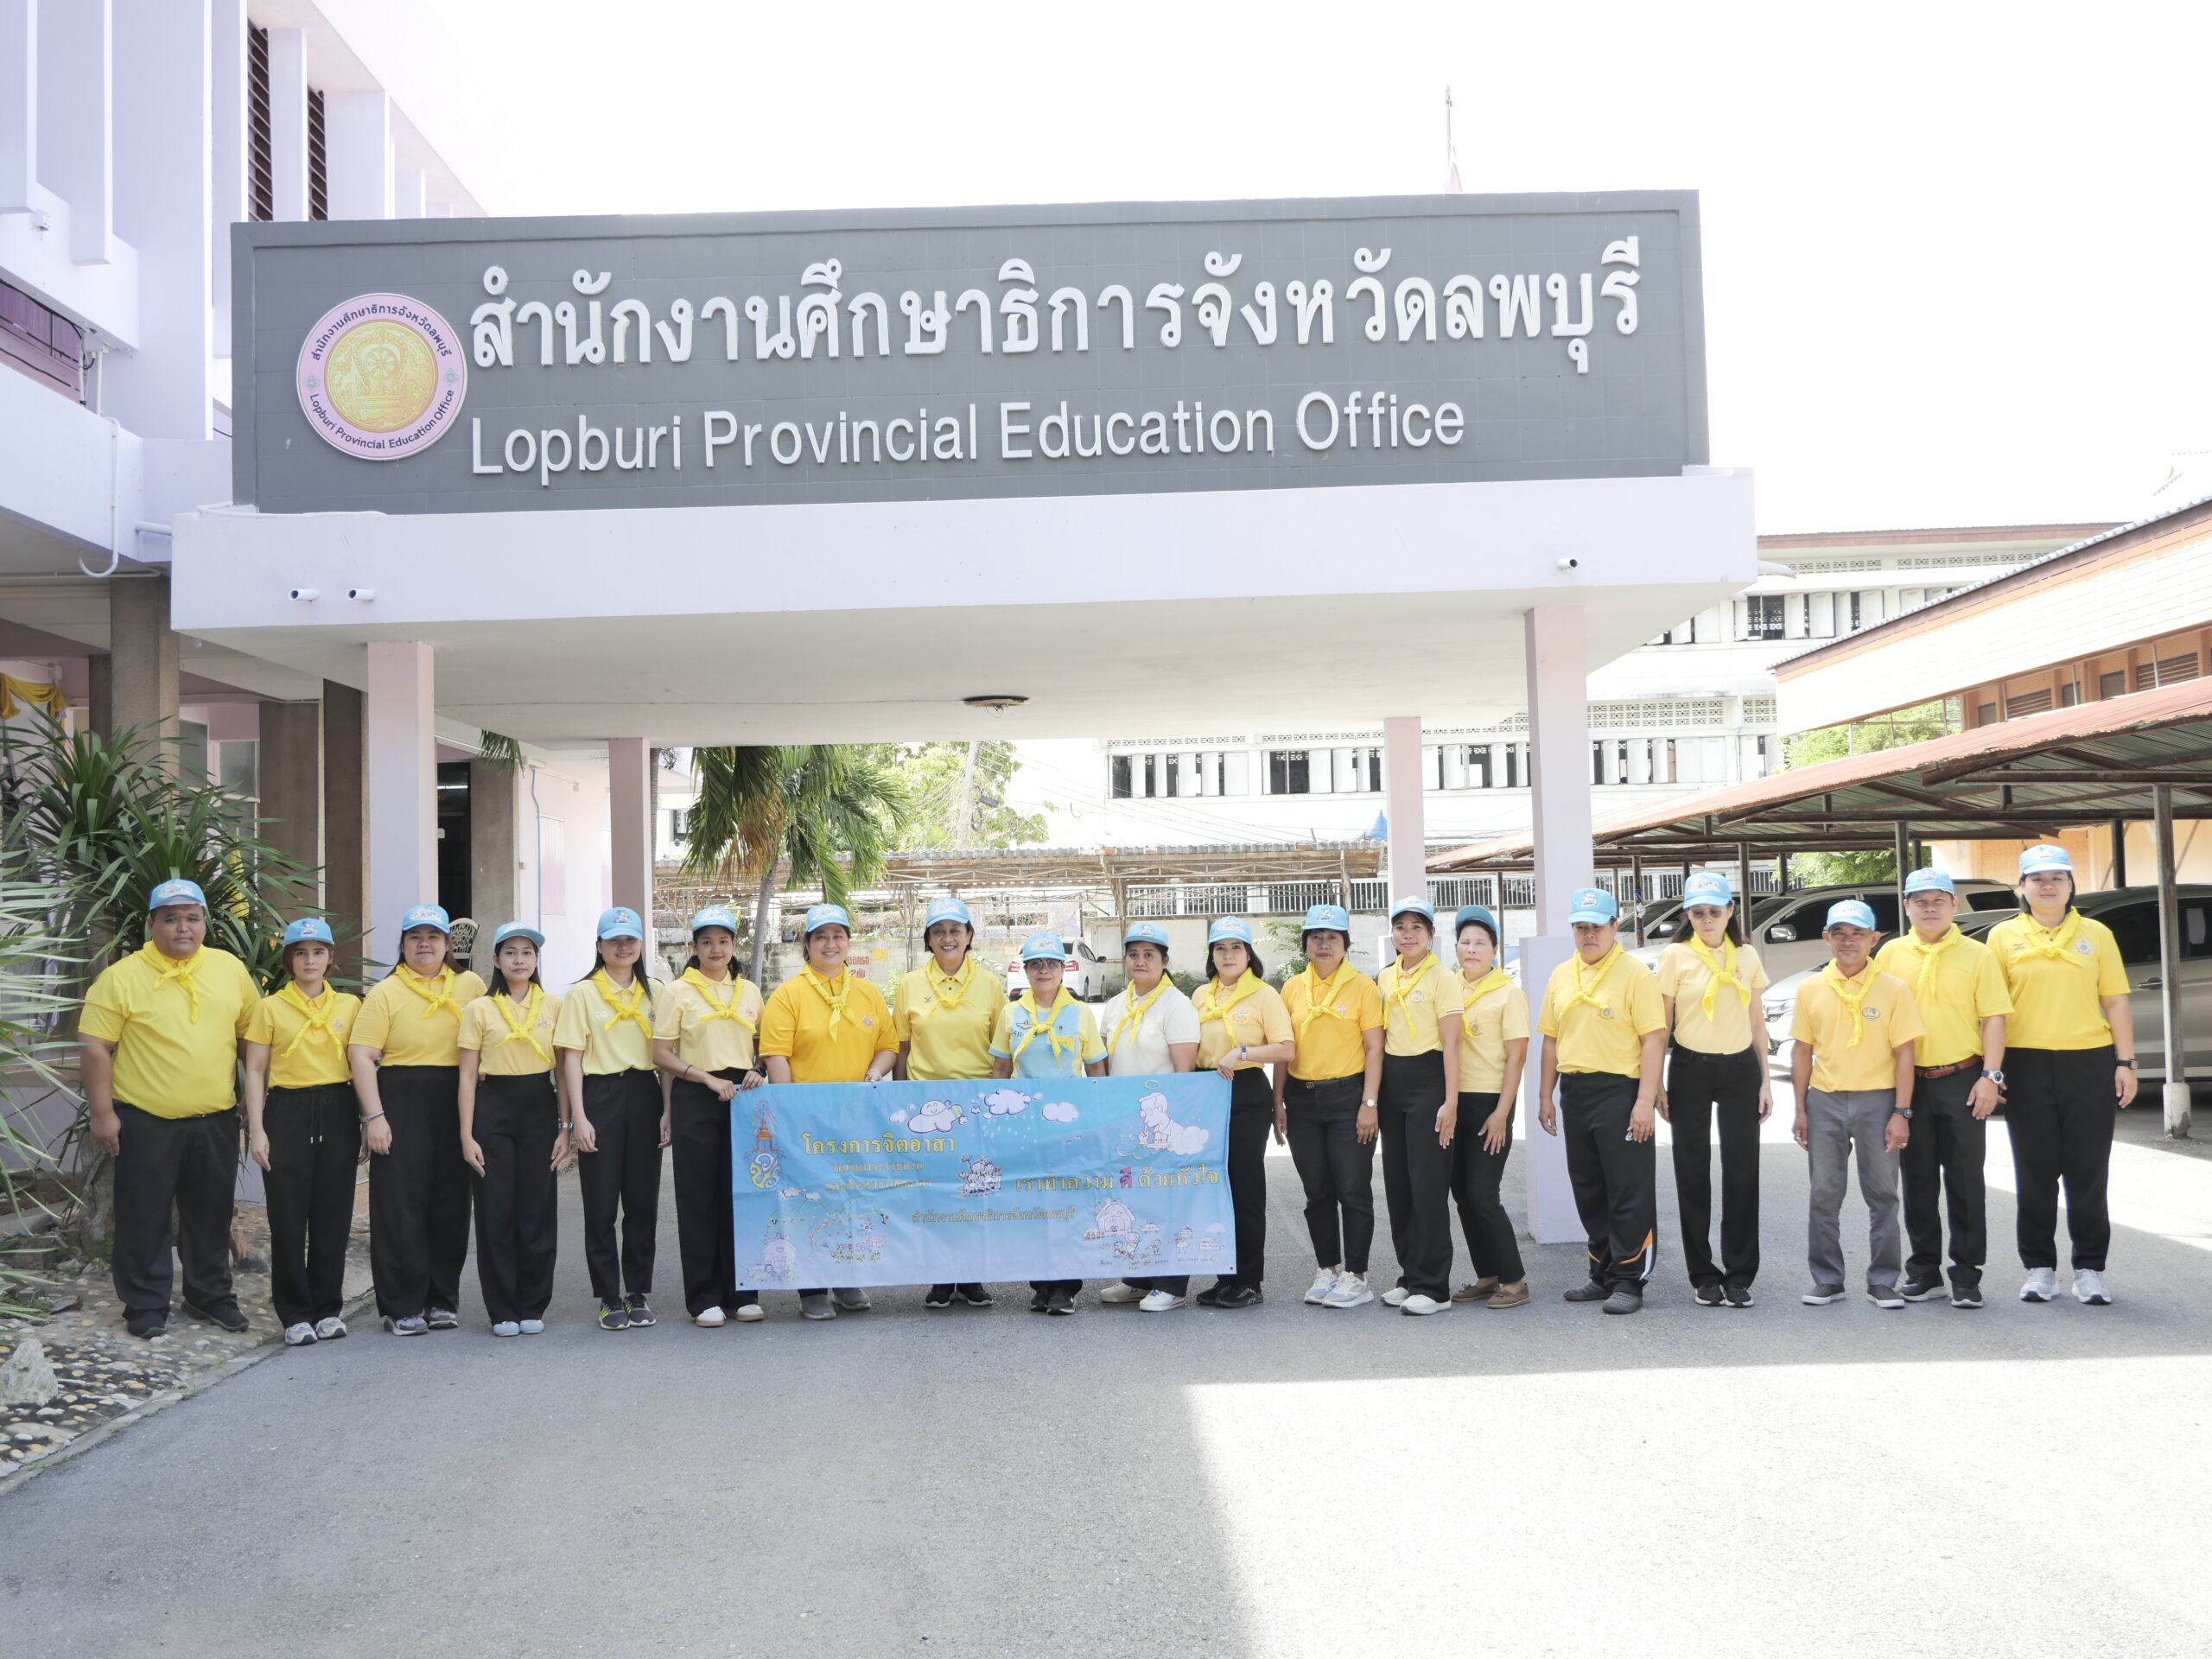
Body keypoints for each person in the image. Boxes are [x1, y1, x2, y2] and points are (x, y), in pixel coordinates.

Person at [79, 879, 261, 1340]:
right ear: (151, 924)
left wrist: (253, 1094)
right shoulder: (121, 977)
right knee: (144, 1215)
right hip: (145, 1121)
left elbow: (251, 1036)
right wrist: (102, 1114)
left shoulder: (229, 969)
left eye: (192, 918)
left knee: (211, 1214)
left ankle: (209, 1296)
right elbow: (96, 1047)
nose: (183, 927)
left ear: (205, 924)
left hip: (215, 1119)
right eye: (171, 918)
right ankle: (145, 1303)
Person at [1987, 844, 2135, 1306]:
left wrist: (2126, 1064)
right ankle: (2039, 1268)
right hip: (2025, 1063)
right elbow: (1992, 1011)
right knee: (2035, 1170)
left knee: (2088, 1170)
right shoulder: (2002, 936)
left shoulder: (2096, 933)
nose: (2047, 886)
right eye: (2037, 879)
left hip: (2089, 1061)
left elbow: (2115, 1001)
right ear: (2022, 887)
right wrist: (1992, 1072)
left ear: (2071, 885)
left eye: (2057, 878)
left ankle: (2090, 1269)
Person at [1873, 868, 2012, 1310]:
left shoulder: (1978, 954)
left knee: (1966, 1179)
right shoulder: (1890, 953)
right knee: (1916, 1180)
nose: (1929, 908)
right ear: (1906, 907)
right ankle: (1924, 1271)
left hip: (1963, 1079)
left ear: (1954, 905)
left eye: (1938, 900)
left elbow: (1994, 1017)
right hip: (1909, 1084)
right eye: (1920, 901)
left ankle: (1967, 1275)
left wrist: (1991, 1077)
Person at [349, 904, 486, 1335]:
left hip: (457, 1096)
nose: (424, 944)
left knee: (451, 1202)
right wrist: (374, 1117)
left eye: (433, 937)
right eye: (415, 937)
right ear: (403, 944)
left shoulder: (471, 986)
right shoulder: (386, 992)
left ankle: (442, 1299)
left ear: (447, 944)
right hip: (402, 1096)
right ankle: (402, 1303)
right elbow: (361, 1055)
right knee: (399, 1203)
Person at [759, 903, 898, 1320]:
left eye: (838, 936)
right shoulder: (789, 995)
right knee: (809, 1199)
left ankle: (846, 1279)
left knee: (852, 1197)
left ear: (848, 943)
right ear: (807, 944)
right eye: (821, 937)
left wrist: (876, 1072)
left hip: (856, 1117)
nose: (830, 944)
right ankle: (812, 1288)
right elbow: (776, 1055)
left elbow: (887, 1046)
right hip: (806, 1119)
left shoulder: (867, 993)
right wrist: (788, 1111)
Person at [1536, 887, 1666, 1315]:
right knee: (1589, 1188)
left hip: (1620, 1092)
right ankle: (1602, 1273)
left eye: (1597, 926)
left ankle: (1629, 1279)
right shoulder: (1562, 974)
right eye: (1581, 927)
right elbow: (1551, 1039)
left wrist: (1644, 1101)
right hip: (1576, 1092)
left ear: (1615, 927)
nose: (1589, 934)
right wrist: (1545, 1095)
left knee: (1628, 1189)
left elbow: (1654, 1039)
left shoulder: (1635, 975)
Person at [1789, 899, 1923, 1310]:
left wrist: (1901, 1112)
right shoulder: (1811, 988)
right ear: (1826, 938)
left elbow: (1905, 1053)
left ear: (1874, 939)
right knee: (1823, 1193)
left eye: (1858, 933)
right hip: (1825, 1100)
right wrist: (1801, 1109)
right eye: (1839, 933)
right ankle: (1828, 1279)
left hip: (1877, 1101)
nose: (1848, 941)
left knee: (1882, 1194)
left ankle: (1883, 1280)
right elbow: (1802, 1051)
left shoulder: (1893, 988)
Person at [242, 918, 364, 1347]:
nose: (309, 960)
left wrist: (368, 1118)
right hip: (287, 1109)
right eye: (300, 952)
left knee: (334, 1214)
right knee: (288, 1216)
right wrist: (258, 1129)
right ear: (288, 960)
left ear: (331, 958)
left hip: (339, 1107)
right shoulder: (270, 1007)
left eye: (318, 952)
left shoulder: (350, 1006)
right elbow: (254, 1070)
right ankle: (294, 1314)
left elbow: (362, 1064)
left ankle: (328, 1309)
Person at [1654, 872, 1771, 1307]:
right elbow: (1662, 1024)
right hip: (1691, 1068)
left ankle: (1739, 1275)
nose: (1707, 919)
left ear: (1730, 911)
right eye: (1698, 912)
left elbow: (1756, 1021)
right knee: (1692, 1171)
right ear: (1688, 914)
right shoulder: (1675, 956)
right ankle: (1703, 1274)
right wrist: (1657, 1083)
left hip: (1740, 1069)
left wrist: (1766, 1082)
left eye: (1715, 911)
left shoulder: (1747, 955)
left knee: (1742, 1171)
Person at [652, 905, 766, 1327]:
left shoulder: (750, 991)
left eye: (723, 941)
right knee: (698, 1197)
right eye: (706, 942)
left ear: (734, 945)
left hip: (743, 1097)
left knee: (741, 1194)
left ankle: (743, 1293)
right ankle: (704, 1297)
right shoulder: (677, 991)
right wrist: (705, 1080)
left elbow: (764, 1046)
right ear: (694, 946)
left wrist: (759, 1070)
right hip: (697, 1093)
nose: (715, 949)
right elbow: (661, 1054)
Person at [556, 906, 667, 1332]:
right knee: (600, 1204)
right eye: (614, 940)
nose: (623, 947)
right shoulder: (582, 994)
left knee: (642, 1203)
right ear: (600, 946)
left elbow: (666, 1056)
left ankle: (637, 1291)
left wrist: (668, 1110)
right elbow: (571, 1058)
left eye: (630, 940)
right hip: (598, 1095)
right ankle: (607, 1296)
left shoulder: (656, 991)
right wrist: (577, 1119)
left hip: (644, 1094)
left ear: (640, 945)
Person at [991, 928, 1109, 1314]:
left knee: (1067, 1204)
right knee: (1031, 1205)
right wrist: (995, 1122)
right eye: (1035, 964)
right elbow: (1001, 1069)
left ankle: (1065, 1287)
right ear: (1025, 970)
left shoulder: (1080, 1013)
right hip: (1024, 1124)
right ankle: (1040, 1284)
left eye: (1052, 963)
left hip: (1069, 1125)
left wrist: (1098, 1118)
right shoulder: (1011, 1013)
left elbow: (1096, 1069)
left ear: (1063, 969)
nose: (1044, 970)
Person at [457, 923, 566, 1337]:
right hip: (492, 1111)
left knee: (537, 1208)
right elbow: (467, 1077)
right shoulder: (479, 1009)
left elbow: (563, 1070)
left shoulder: (554, 1006)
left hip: (539, 1107)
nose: (520, 960)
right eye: (511, 952)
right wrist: (466, 1134)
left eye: (527, 952)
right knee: (495, 1209)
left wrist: (565, 1127)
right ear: (496, 960)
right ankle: (502, 1308)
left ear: (536, 960)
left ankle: (533, 1303)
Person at [1276, 904, 1385, 1310]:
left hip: (1348, 1098)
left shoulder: (1363, 987)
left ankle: (1357, 1276)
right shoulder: (1291, 988)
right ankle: (1328, 1268)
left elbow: (1374, 1049)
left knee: (1353, 1189)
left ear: (1345, 945)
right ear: (1306, 943)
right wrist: (1277, 1101)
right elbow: (1284, 1050)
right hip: (1301, 1100)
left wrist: (1369, 1103)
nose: (1324, 944)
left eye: (1332, 938)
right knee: (1316, 1191)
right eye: (1316, 937)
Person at [893, 896, 996, 1311]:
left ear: (969, 935)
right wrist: (901, 1097)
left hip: (975, 1104)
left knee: (973, 1189)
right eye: (939, 931)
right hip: (925, 1105)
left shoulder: (989, 984)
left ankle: (971, 1277)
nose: (947, 938)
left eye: (955, 930)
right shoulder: (909, 984)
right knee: (934, 1192)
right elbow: (902, 1047)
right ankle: (939, 1277)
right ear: (929, 939)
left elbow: (1001, 1049)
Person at [1095, 922, 1202, 1311]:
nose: (1140, 961)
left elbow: (1184, 1073)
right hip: (1125, 1120)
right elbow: (1106, 1062)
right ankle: (1137, 1278)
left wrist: (1168, 1127)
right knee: (1133, 1199)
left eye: (1149, 955)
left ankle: (1172, 1284)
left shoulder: (1176, 1005)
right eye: (1134, 954)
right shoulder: (1115, 1005)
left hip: (1162, 1123)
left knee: (1166, 1202)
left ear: (1165, 961)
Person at [1190, 918, 1294, 1310]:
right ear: (1211, 956)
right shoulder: (1201, 994)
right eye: (1220, 948)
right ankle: (1226, 1279)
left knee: (1245, 1187)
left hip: (1246, 1091)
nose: (1228, 955)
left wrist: (1244, 1052)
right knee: (1216, 1188)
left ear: (1249, 954)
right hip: (1206, 1091)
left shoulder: (1265, 995)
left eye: (1236, 948)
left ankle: (1249, 1281)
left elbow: (1286, 1048)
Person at [1374, 898, 1463, 1317]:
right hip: (1394, 1082)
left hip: (1430, 1081)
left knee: (1428, 1185)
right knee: (1399, 1185)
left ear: (1431, 934)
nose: (1408, 934)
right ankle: (1410, 1276)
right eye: (1401, 927)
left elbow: (1452, 1044)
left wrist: (1451, 1101)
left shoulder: (1443, 977)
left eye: (1416, 927)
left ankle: (1435, 1286)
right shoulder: (1385, 976)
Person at [1448, 905, 1529, 1309]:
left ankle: (1515, 1280)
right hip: (1453, 1101)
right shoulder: (1448, 988)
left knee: (1483, 1193)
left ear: (1495, 950)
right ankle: (1487, 1275)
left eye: (1481, 943)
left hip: (1489, 1104)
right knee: (1462, 1193)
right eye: (1465, 942)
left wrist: (1501, 1113)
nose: (1472, 949)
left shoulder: (1508, 993)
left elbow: (1517, 1058)